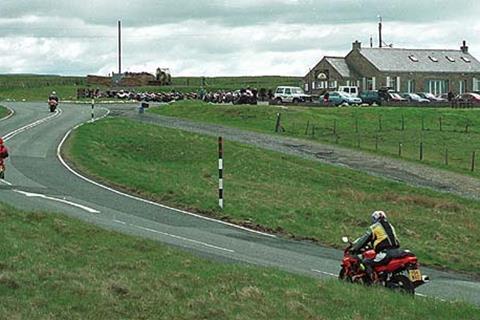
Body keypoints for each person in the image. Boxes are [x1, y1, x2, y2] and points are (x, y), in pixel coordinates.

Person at [351, 210, 400, 282]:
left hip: (385, 252)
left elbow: (363, 240)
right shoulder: (391, 226)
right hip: (396, 251)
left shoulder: (374, 227)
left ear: (375, 218)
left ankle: (374, 282)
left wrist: (355, 248)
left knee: (365, 262)